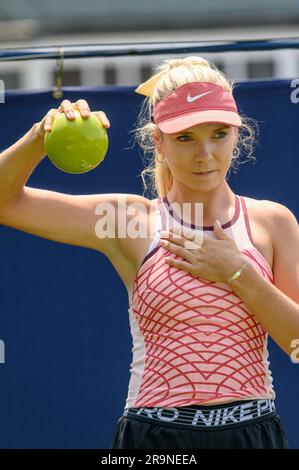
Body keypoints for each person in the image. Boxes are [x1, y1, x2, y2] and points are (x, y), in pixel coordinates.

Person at [0, 56, 298, 450]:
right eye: (186, 137)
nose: (205, 154)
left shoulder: (272, 222)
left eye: (219, 134)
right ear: (158, 140)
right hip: (154, 437)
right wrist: (42, 134)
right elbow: (6, 202)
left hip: (252, 431)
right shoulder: (129, 221)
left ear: (238, 135)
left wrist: (237, 272)